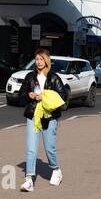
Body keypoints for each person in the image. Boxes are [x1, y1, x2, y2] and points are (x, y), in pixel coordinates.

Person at [19, 49, 65, 191]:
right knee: (31, 149)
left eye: (41, 59)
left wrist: (45, 96)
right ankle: (29, 179)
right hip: (33, 115)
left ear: (46, 60)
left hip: (50, 117)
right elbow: (21, 95)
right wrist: (29, 95)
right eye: (37, 59)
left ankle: (56, 170)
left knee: (49, 147)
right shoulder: (30, 77)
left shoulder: (54, 78)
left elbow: (64, 96)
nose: (39, 62)